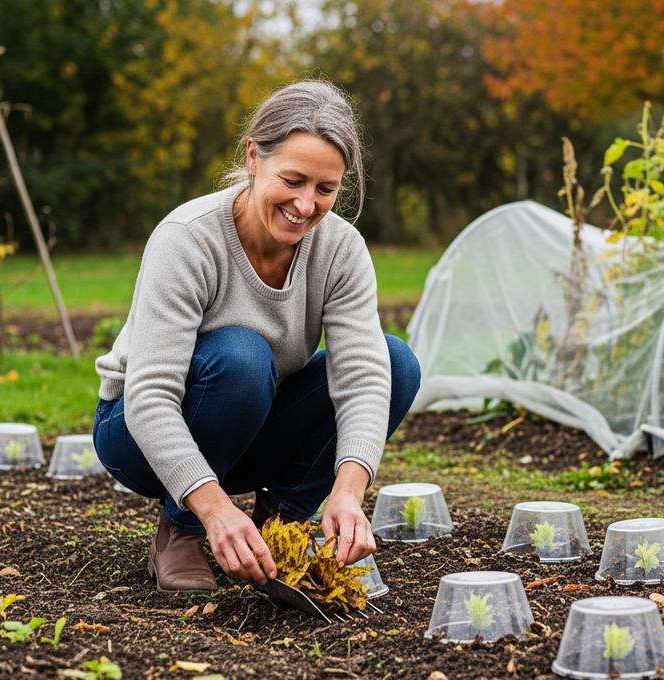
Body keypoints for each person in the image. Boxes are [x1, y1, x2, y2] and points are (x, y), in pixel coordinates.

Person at [92, 80, 421, 593]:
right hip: (138, 431)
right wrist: (216, 509)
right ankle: (182, 529)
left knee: (394, 361)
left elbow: (362, 378)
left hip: (253, 421)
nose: (306, 204)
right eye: (292, 179)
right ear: (253, 157)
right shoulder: (188, 238)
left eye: (326, 189)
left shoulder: (340, 249)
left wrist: (349, 492)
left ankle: (281, 521)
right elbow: (150, 397)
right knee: (241, 356)